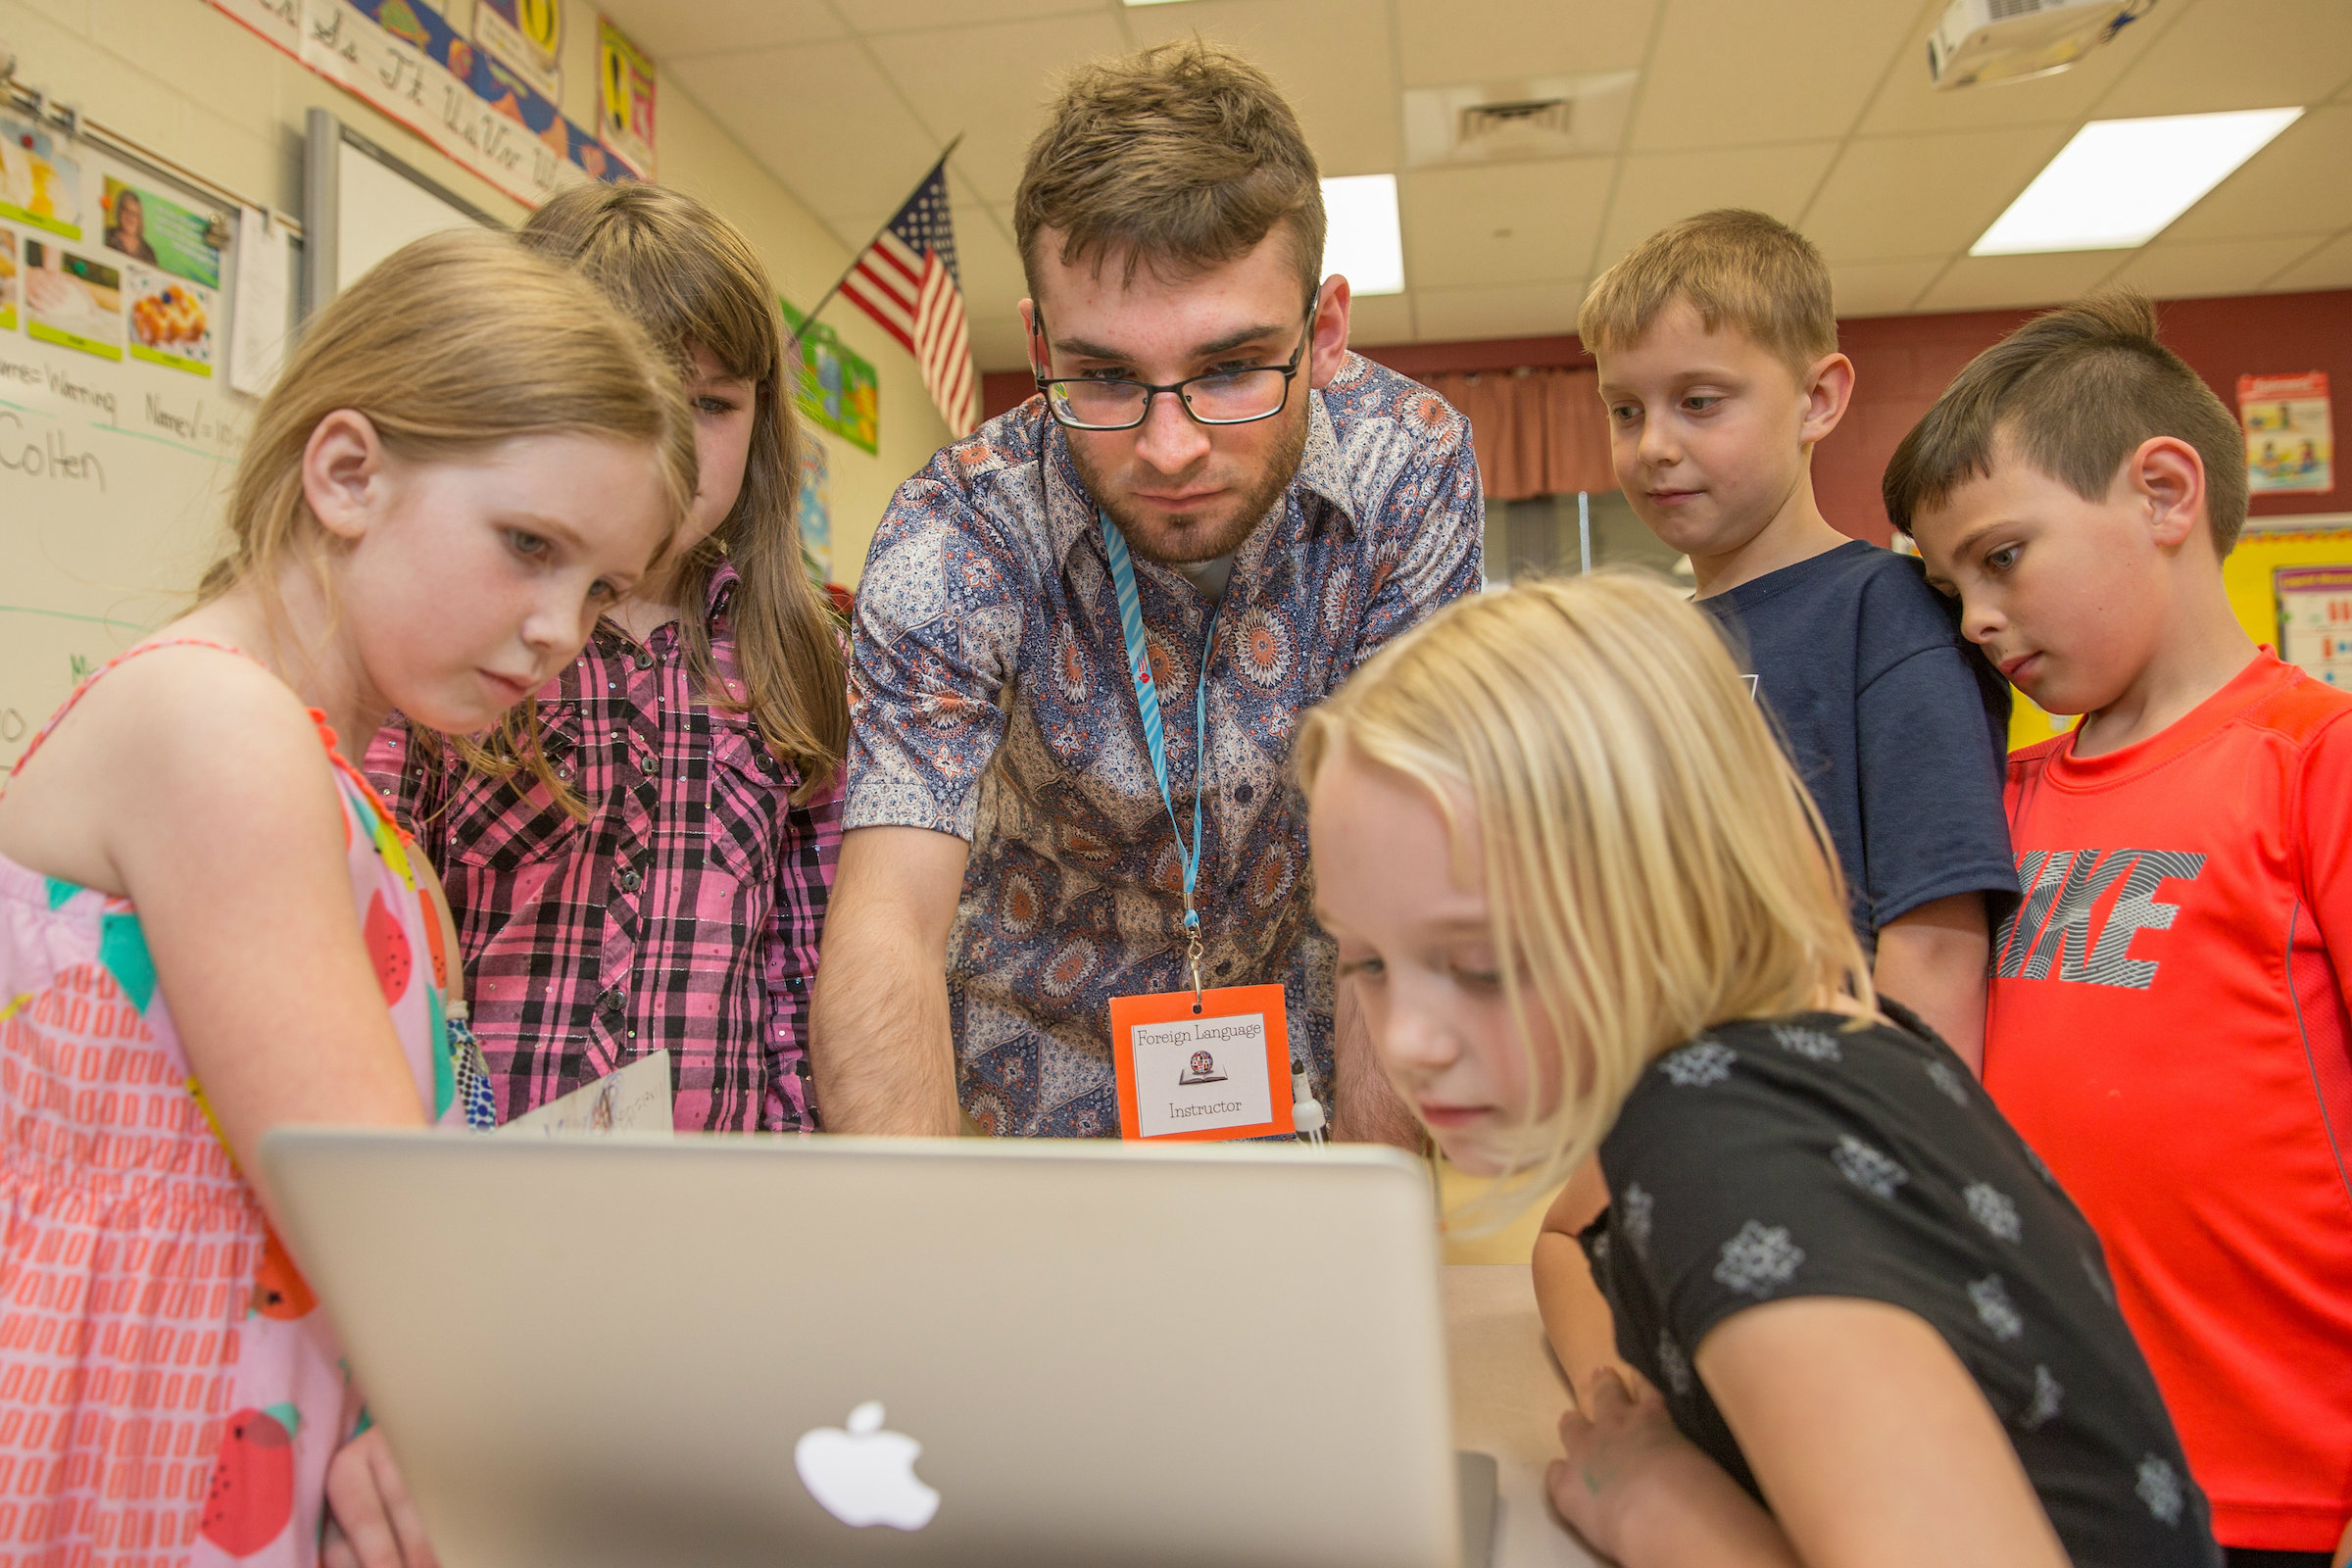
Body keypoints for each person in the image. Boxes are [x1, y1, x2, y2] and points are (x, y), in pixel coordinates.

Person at [0, 229, 692, 1567]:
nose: (559, 629)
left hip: (249, 1383)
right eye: (527, 545)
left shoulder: (329, 769)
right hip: (156, 1409)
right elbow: (377, 1197)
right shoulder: (217, 724)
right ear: (348, 474)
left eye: (598, 587)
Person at [1300, 571, 2221, 1568]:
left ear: (1665, 882)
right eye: (1369, 961)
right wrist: (1637, 1419)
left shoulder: (1726, 1139)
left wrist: (1668, 1514)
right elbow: (1574, 1233)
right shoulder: (1778, 1051)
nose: (1409, 1041)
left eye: (1474, 960)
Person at [810, 40, 1482, 1139]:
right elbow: (887, 920)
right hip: (1031, 1086)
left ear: (1322, 334)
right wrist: (919, 1266)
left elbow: (1402, 883)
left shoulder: (1409, 469)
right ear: (1038, 346)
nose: (1170, 448)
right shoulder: (957, 528)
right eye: (1108, 376)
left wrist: (1371, 1232)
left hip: (1305, 1075)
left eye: (1229, 368)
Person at [1889, 292, 2352, 1568]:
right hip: (2055, 1457)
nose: (1974, 619)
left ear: (2162, 495)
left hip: (2272, 1483)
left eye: (2001, 557)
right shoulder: (2004, 802)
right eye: (1947, 585)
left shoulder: (2314, 761)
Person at [368, 182, 850, 1134]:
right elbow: (374, 922)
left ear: (760, 422)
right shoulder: (454, 633)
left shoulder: (799, 652)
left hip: (724, 1206)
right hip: (485, 1194)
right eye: (633, 400)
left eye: (710, 405)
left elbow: (810, 972)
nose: (671, 449)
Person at [1580, 209, 2014, 1065]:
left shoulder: (1884, 614)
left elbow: (1935, 942)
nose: (1654, 446)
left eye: (1699, 403)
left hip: (1835, 1124)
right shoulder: (1661, 651)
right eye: (1625, 411)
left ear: (1817, 401)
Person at [106, 184, 159, 264]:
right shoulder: (107, 236)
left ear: (140, 218)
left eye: (135, 213)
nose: (130, 217)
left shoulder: (148, 252)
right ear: (119, 211)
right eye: (126, 210)